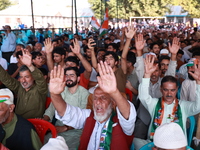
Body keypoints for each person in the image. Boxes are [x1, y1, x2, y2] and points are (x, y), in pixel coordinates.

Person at [49, 61, 136, 150]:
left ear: (113, 102)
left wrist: (114, 92)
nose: (97, 102)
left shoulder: (121, 122)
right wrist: (55, 94)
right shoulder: (89, 116)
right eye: (95, 98)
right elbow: (65, 112)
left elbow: (128, 113)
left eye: (103, 98)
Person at [135, 55, 200, 149]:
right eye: (166, 90)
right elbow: (143, 97)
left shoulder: (183, 106)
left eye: (172, 90)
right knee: (135, 141)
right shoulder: (154, 104)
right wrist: (147, 75)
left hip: (177, 147)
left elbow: (198, 106)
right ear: (161, 89)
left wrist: (198, 82)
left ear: (177, 89)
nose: (169, 94)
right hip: (156, 145)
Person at [43, 67, 89, 149]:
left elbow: (84, 119)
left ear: (78, 78)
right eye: (66, 75)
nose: (68, 78)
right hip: (57, 128)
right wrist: (45, 121)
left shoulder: (84, 93)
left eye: (72, 75)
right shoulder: (61, 91)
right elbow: (51, 108)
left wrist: (66, 128)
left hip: (75, 131)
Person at [0, 49, 48, 119]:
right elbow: (6, 79)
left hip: (34, 124)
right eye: (21, 77)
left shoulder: (40, 89)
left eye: (27, 77)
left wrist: (30, 65)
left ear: (33, 77)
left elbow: (40, 79)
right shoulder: (19, 87)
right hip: (17, 121)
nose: (23, 80)